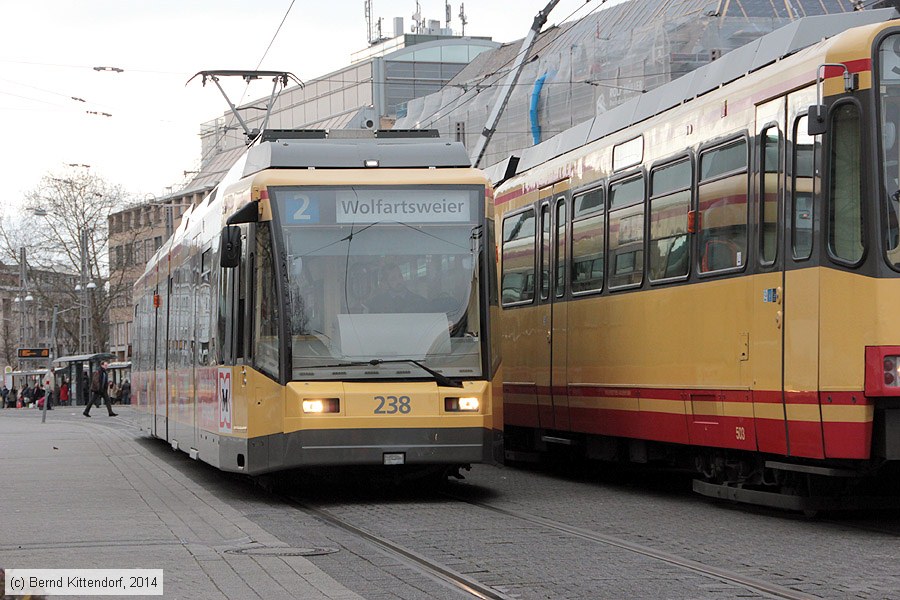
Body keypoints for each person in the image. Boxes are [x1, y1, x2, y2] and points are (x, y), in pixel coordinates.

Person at [363, 265, 429, 313]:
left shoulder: (420, 302)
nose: (399, 281)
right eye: (393, 279)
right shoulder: (376, 303)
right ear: (386, 282)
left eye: (400, 276)